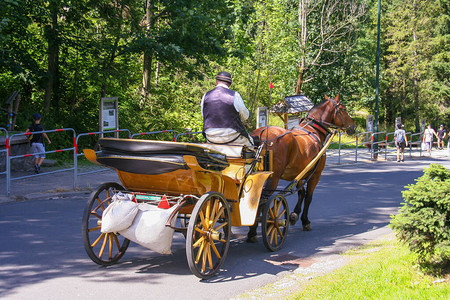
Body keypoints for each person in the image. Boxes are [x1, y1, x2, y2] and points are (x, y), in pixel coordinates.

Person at [201, 71, 253, 145]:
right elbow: (245, 116)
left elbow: (204, 116)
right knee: (251, 144)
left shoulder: (205, 96)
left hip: (210, 137)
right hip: (231, 137)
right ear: (229, 84)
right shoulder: (235, 95)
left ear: (216, 82)